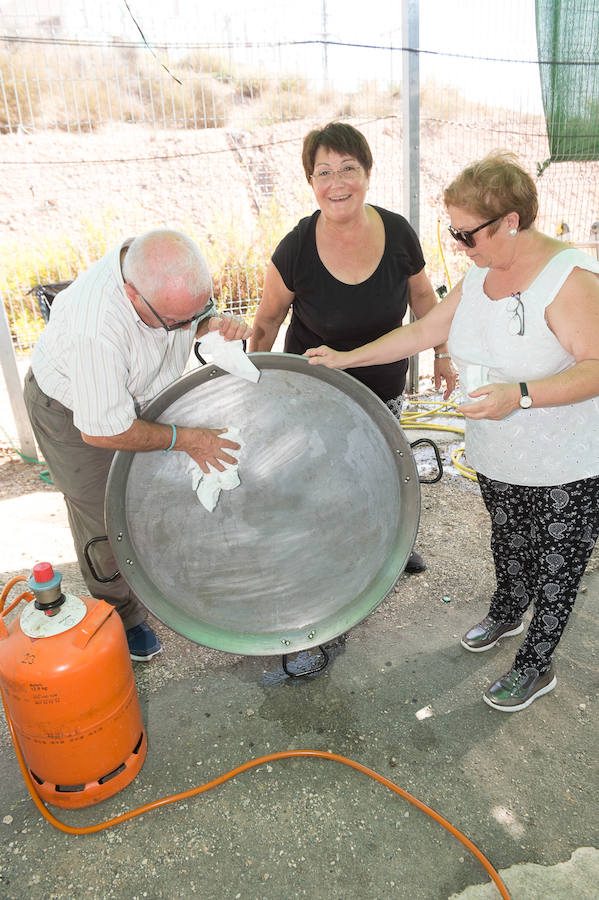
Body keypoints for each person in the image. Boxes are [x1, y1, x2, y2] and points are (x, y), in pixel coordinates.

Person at [305, 151, 599, 712]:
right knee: (509, 541)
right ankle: (508, 614)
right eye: (455, 232)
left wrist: (522, 394)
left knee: (558, 560)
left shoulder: (570, 280)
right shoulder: (481, 273)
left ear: (510, 221)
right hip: (498, 449)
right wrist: (345, 359)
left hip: (565, 459)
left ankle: (538, 663)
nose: (461, 246)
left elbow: (597, 367)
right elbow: (424, 331)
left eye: (468, 234)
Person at [24, 229, 252, 661]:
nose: (186, 330)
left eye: (193, 315)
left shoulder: (158, 262)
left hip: (140, 392)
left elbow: (187, 315)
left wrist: (209, 322)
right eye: (176, 322)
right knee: (104, 518)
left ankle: (169, 580)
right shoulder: (94, 330)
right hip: (75, 414)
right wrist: (186, 439)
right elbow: (103, 430)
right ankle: (121, 616)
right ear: (131, 295)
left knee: (156, 493)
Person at [249, 122, 456, 574]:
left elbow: (423, 299)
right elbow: (266, 322)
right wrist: (251, 384)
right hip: (313, 394)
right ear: (311, 182)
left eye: (348, 169)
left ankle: (389, 548)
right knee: (319, 480)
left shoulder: (398, 233)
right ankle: (330, 566)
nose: (337, 183)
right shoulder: (296, 248)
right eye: (323, 172)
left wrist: (441, 352)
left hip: (383, 389)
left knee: (382, 470)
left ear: (367, 173)